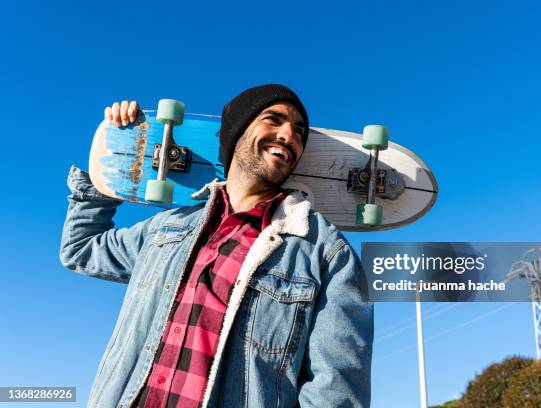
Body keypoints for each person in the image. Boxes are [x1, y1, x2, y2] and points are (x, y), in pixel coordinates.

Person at [60, 84, 373, 408]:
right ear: (237, 130)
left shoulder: (326, 253)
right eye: (274, 119)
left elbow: (336, 389)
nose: (288, 135)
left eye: (299, 131)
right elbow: (80, 248)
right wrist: (111, 164)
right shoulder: (166, 228)